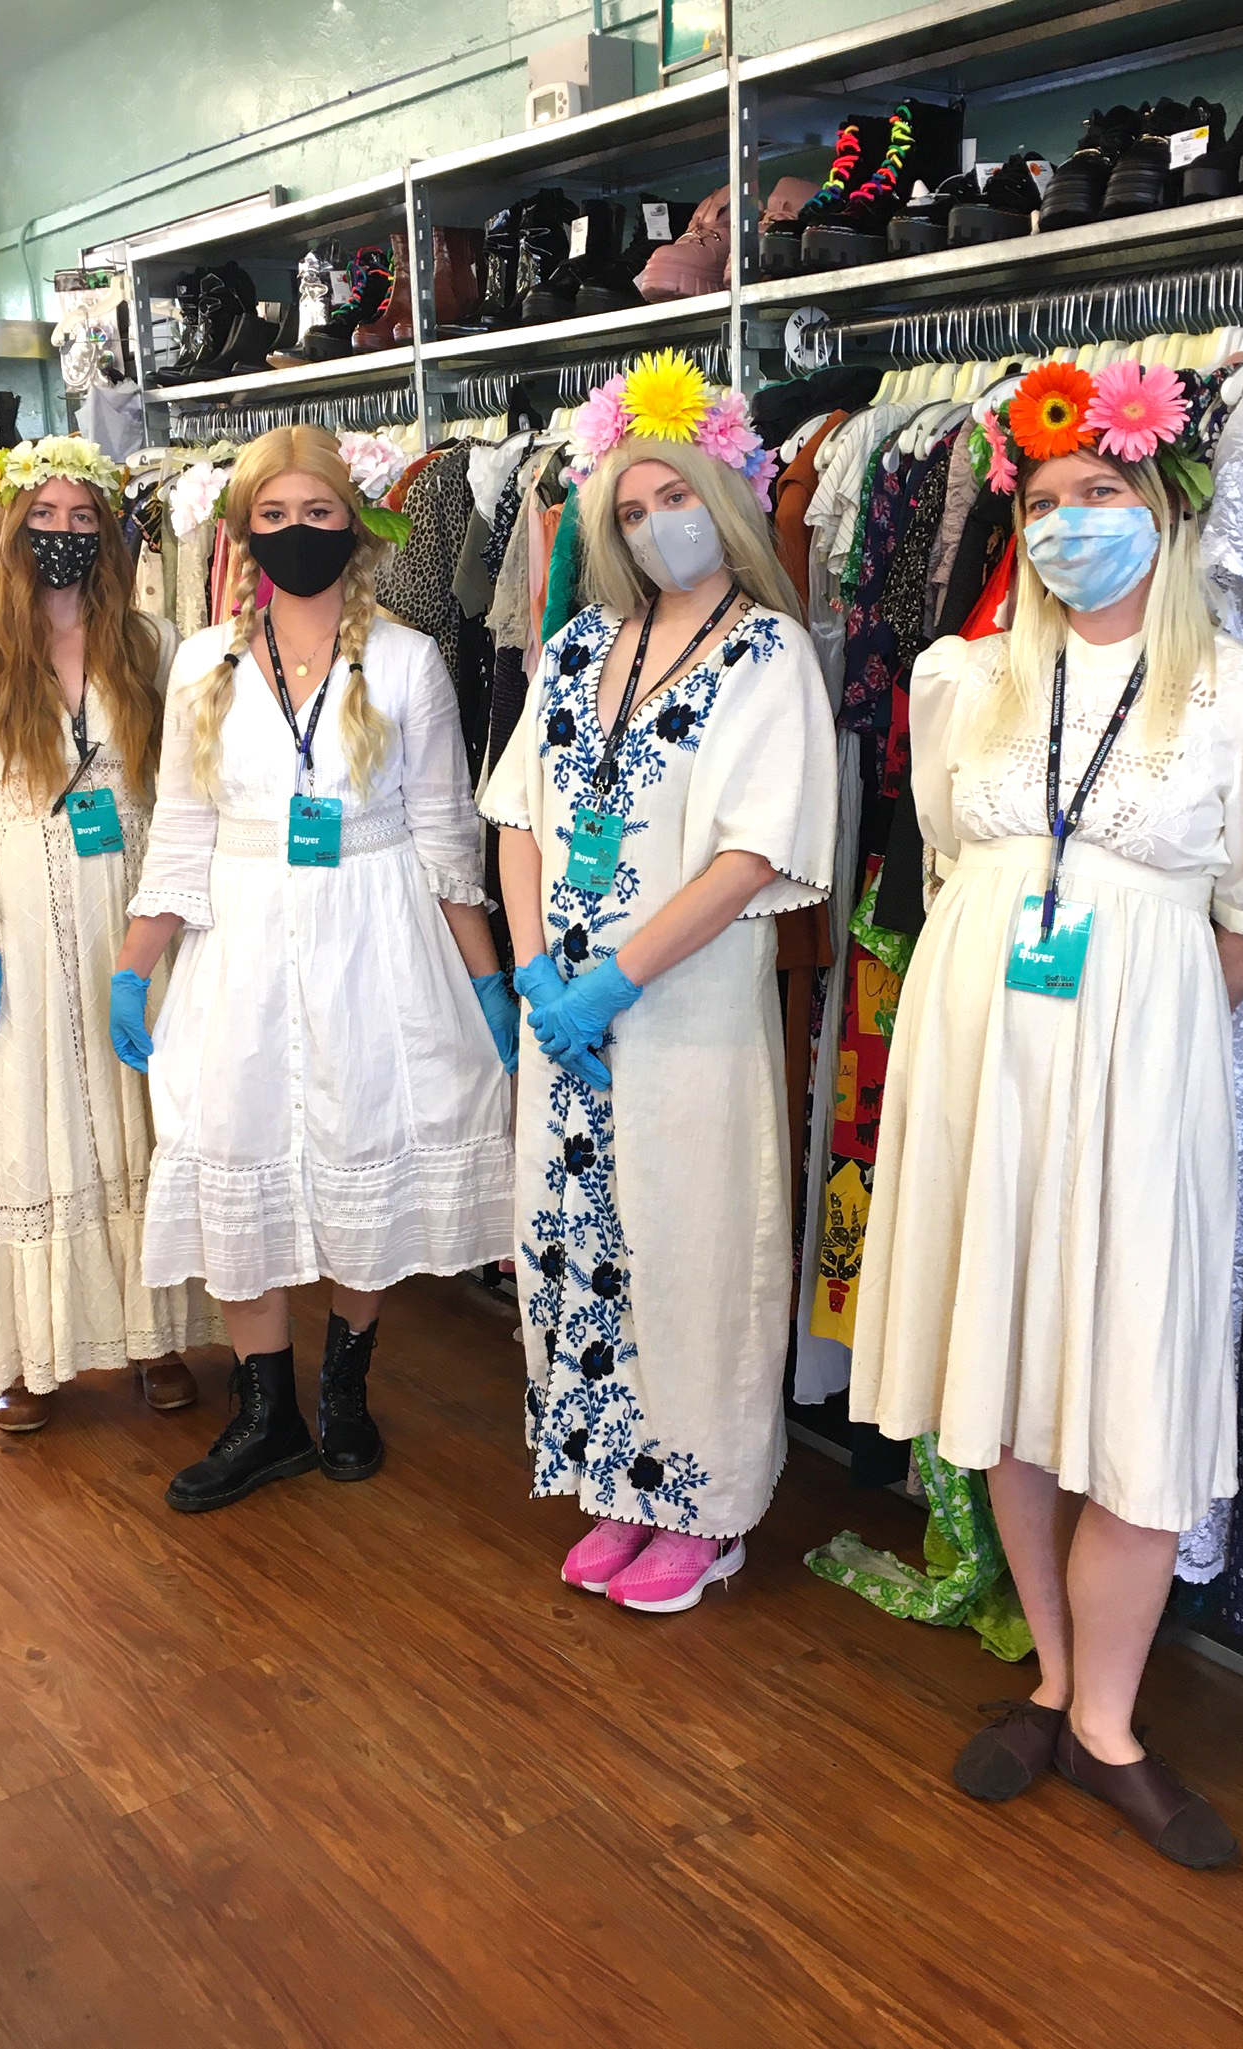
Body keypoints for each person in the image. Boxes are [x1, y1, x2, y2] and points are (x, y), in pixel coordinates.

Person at [849, 362, 1243, 1867]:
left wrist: (1143, 1021)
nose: (1069, 525)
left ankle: (1111, 1724)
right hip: (976, 1063)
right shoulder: (966, 678)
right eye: (1045, 503)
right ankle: (1057, 1685)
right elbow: (956, 865)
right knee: (1007, 1367)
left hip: (1140, 1068)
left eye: (1100, 493)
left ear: (1166, 510)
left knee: (1134, 1376)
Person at [484, 348, 837, 1615]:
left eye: (674, 497)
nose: (653, 525)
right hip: (563, 1020)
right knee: (574, 1240)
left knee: (690, 1239)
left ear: (723, 496)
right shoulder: (579, 643)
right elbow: (518, 813)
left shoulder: (768, 653)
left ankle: (704, 1504)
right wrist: (536, 972)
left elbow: (754, 851)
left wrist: (614, 984)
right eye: (629, 510)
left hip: (683, 1011)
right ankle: (613, 1480)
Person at [112, 424, 515, 1514]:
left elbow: (445, 834)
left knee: (360, 1142)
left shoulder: (407, 660)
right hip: (236, 942)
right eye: (275, 517)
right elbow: (179, 832)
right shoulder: (201, 661)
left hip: (375, 936)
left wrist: (484, 981)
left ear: (355, 523)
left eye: (318, 513)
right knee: (231, 1145)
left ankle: (343, 1389)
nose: (298, 533)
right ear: (243, 534)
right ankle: (265, 1414)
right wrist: (134, 966)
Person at [0, 436, 222, 1433]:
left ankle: (155, 1335)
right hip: (25, 903)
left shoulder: (153, 642)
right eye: (44, 517)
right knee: (32, 1118)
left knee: (146, 1112)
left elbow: (178, 794)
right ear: (10, 527)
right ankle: (32, 1348)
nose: (62, 533)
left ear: (108, 531)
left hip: (132, 903)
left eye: (82, 517)